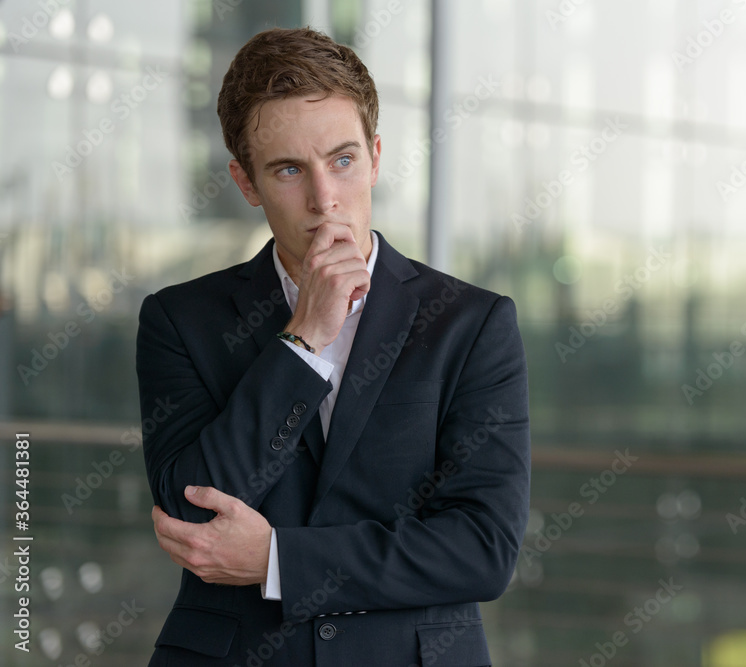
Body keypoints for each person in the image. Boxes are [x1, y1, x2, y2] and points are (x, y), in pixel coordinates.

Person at [135, 26, 530, 667]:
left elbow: (482, 550)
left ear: (375, 157)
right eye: (289, 170)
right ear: (246, 183)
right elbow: (192, 516)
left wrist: (277, 561)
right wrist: (304, 341)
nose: (325, 200)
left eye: (342, 160)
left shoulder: (472, 324)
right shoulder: (180, 320)